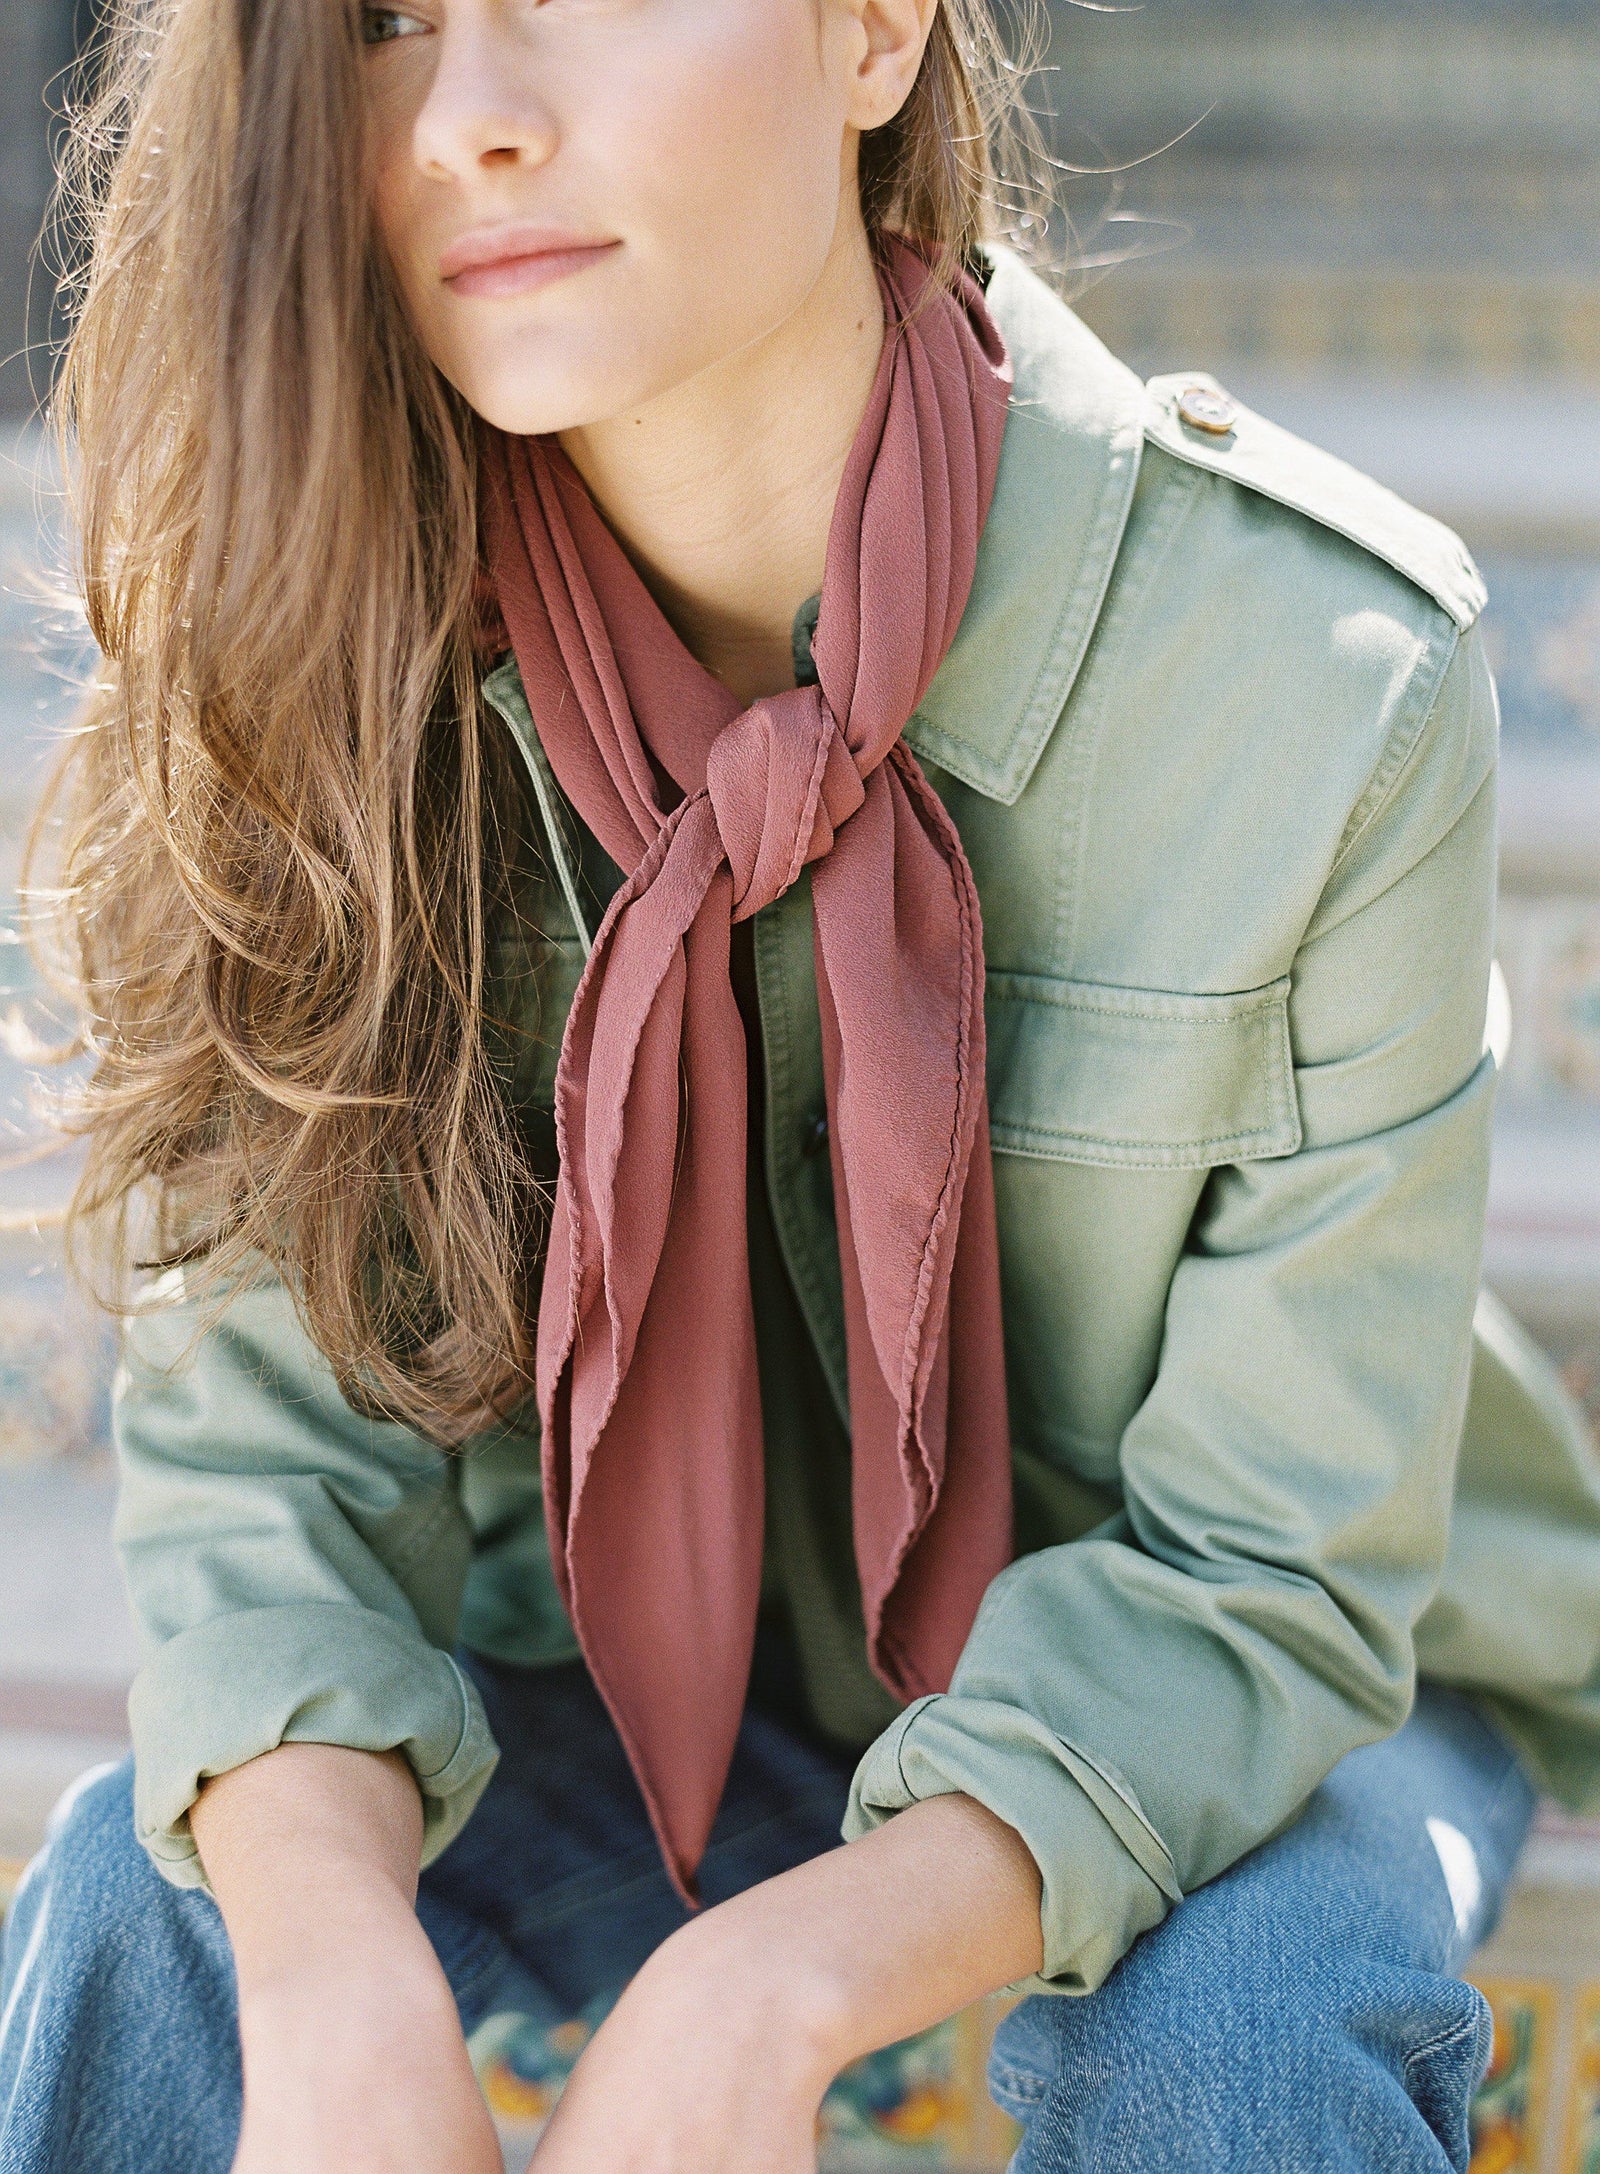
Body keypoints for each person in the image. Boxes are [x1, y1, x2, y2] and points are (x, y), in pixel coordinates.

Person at [3, 0, 1599, 2168]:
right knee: (152, 1887)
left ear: (870, 29)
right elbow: (267, 1490)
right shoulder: (302, 657)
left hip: (1247, 1702)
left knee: (1235, 2029)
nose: (469, 117)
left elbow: (1263, 1584)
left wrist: (766, 1991)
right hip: (603, 1687)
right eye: (382, 24)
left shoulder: (1317, 694)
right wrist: (328, 1986)